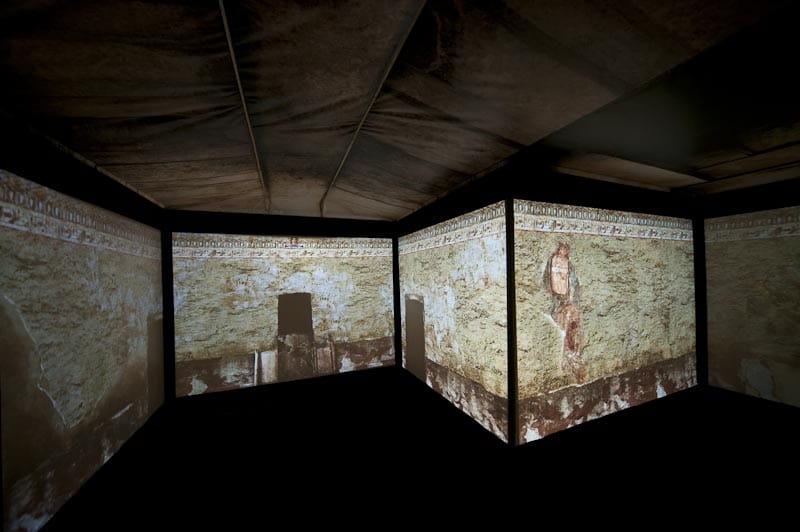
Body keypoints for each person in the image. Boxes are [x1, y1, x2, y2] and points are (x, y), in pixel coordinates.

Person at [542, 243, 586, 383]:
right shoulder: (552, 260)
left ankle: (571, 355)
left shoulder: (568, 264)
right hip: (555, 298)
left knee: (570, 325)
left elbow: (573, 282)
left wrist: (572, 297)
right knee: (562, 326)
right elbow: (546, 279)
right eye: (562, 249)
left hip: (566, 298)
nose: (563, 252)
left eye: (566, 250)